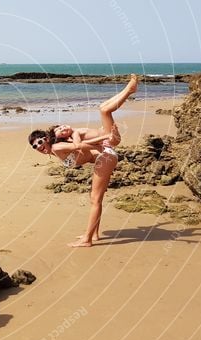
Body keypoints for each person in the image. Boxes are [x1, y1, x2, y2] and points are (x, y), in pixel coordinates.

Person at [28, 74, 138, 247]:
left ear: (46, 139)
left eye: (40, 142)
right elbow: (83, 148)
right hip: (105, 155)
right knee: (95, 198)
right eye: (35, 146)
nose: (39, 147)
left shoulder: (57, 148)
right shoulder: (58, 147)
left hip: (106, 156)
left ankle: (87, 239)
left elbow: (81, 147)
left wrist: (107, 138)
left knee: (95, 199)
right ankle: (94, 235)